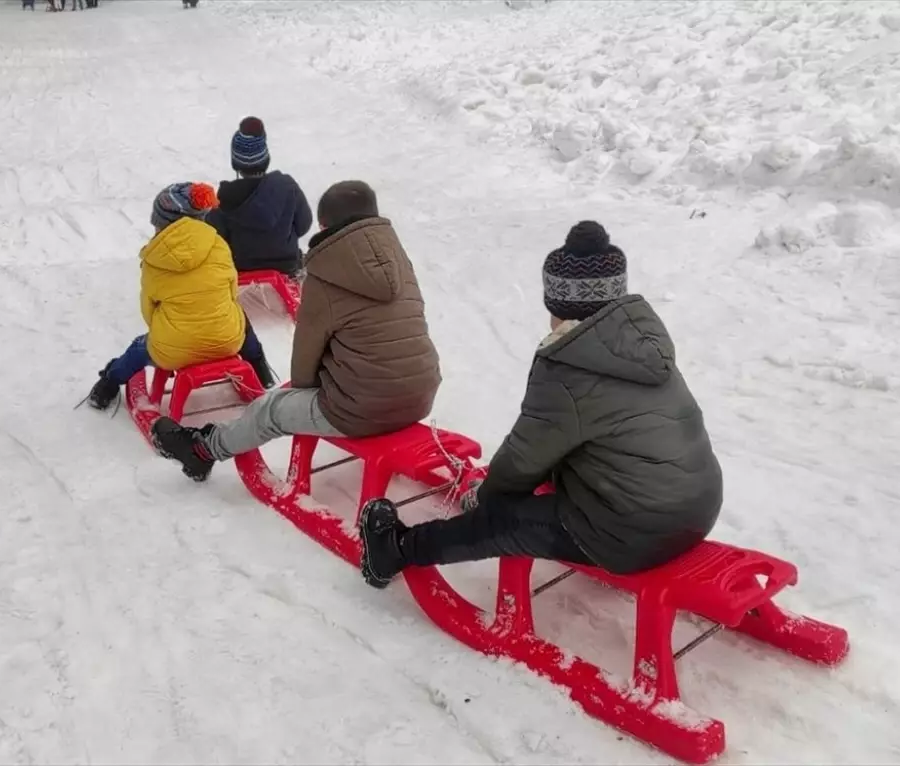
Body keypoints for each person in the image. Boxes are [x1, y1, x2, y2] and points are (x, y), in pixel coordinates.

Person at [358, 221, 723, 588]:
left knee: (504, 522)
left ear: (560, 305)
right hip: (696, 511)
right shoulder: (641, 345)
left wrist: (488, 499)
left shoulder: (569, 364)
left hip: (631, 534)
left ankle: (395, 550)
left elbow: (522, 461)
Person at [152, 180, 441, 482]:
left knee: (270, 410)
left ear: (323, 224)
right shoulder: (399, 260)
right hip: (421, 395)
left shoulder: (326, 271)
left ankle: (202, 450)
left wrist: (305, 392)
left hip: (362, 410)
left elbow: (305, 360)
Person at [86, 182, 276, 410]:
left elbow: (149, 310)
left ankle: (108, 383)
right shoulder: (219, 246)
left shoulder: (154, 260)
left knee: (139, 347)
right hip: (228, 342)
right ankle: (258, 366)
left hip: (173, 350)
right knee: (240, 317)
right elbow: (231, 292)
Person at [204, 117, 312, 278]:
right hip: (287, 272)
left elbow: (217, 242)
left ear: (236, 164)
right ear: (265, 159)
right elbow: (304, 224)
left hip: (241, 277)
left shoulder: (223, 202)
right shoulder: (286, 187)